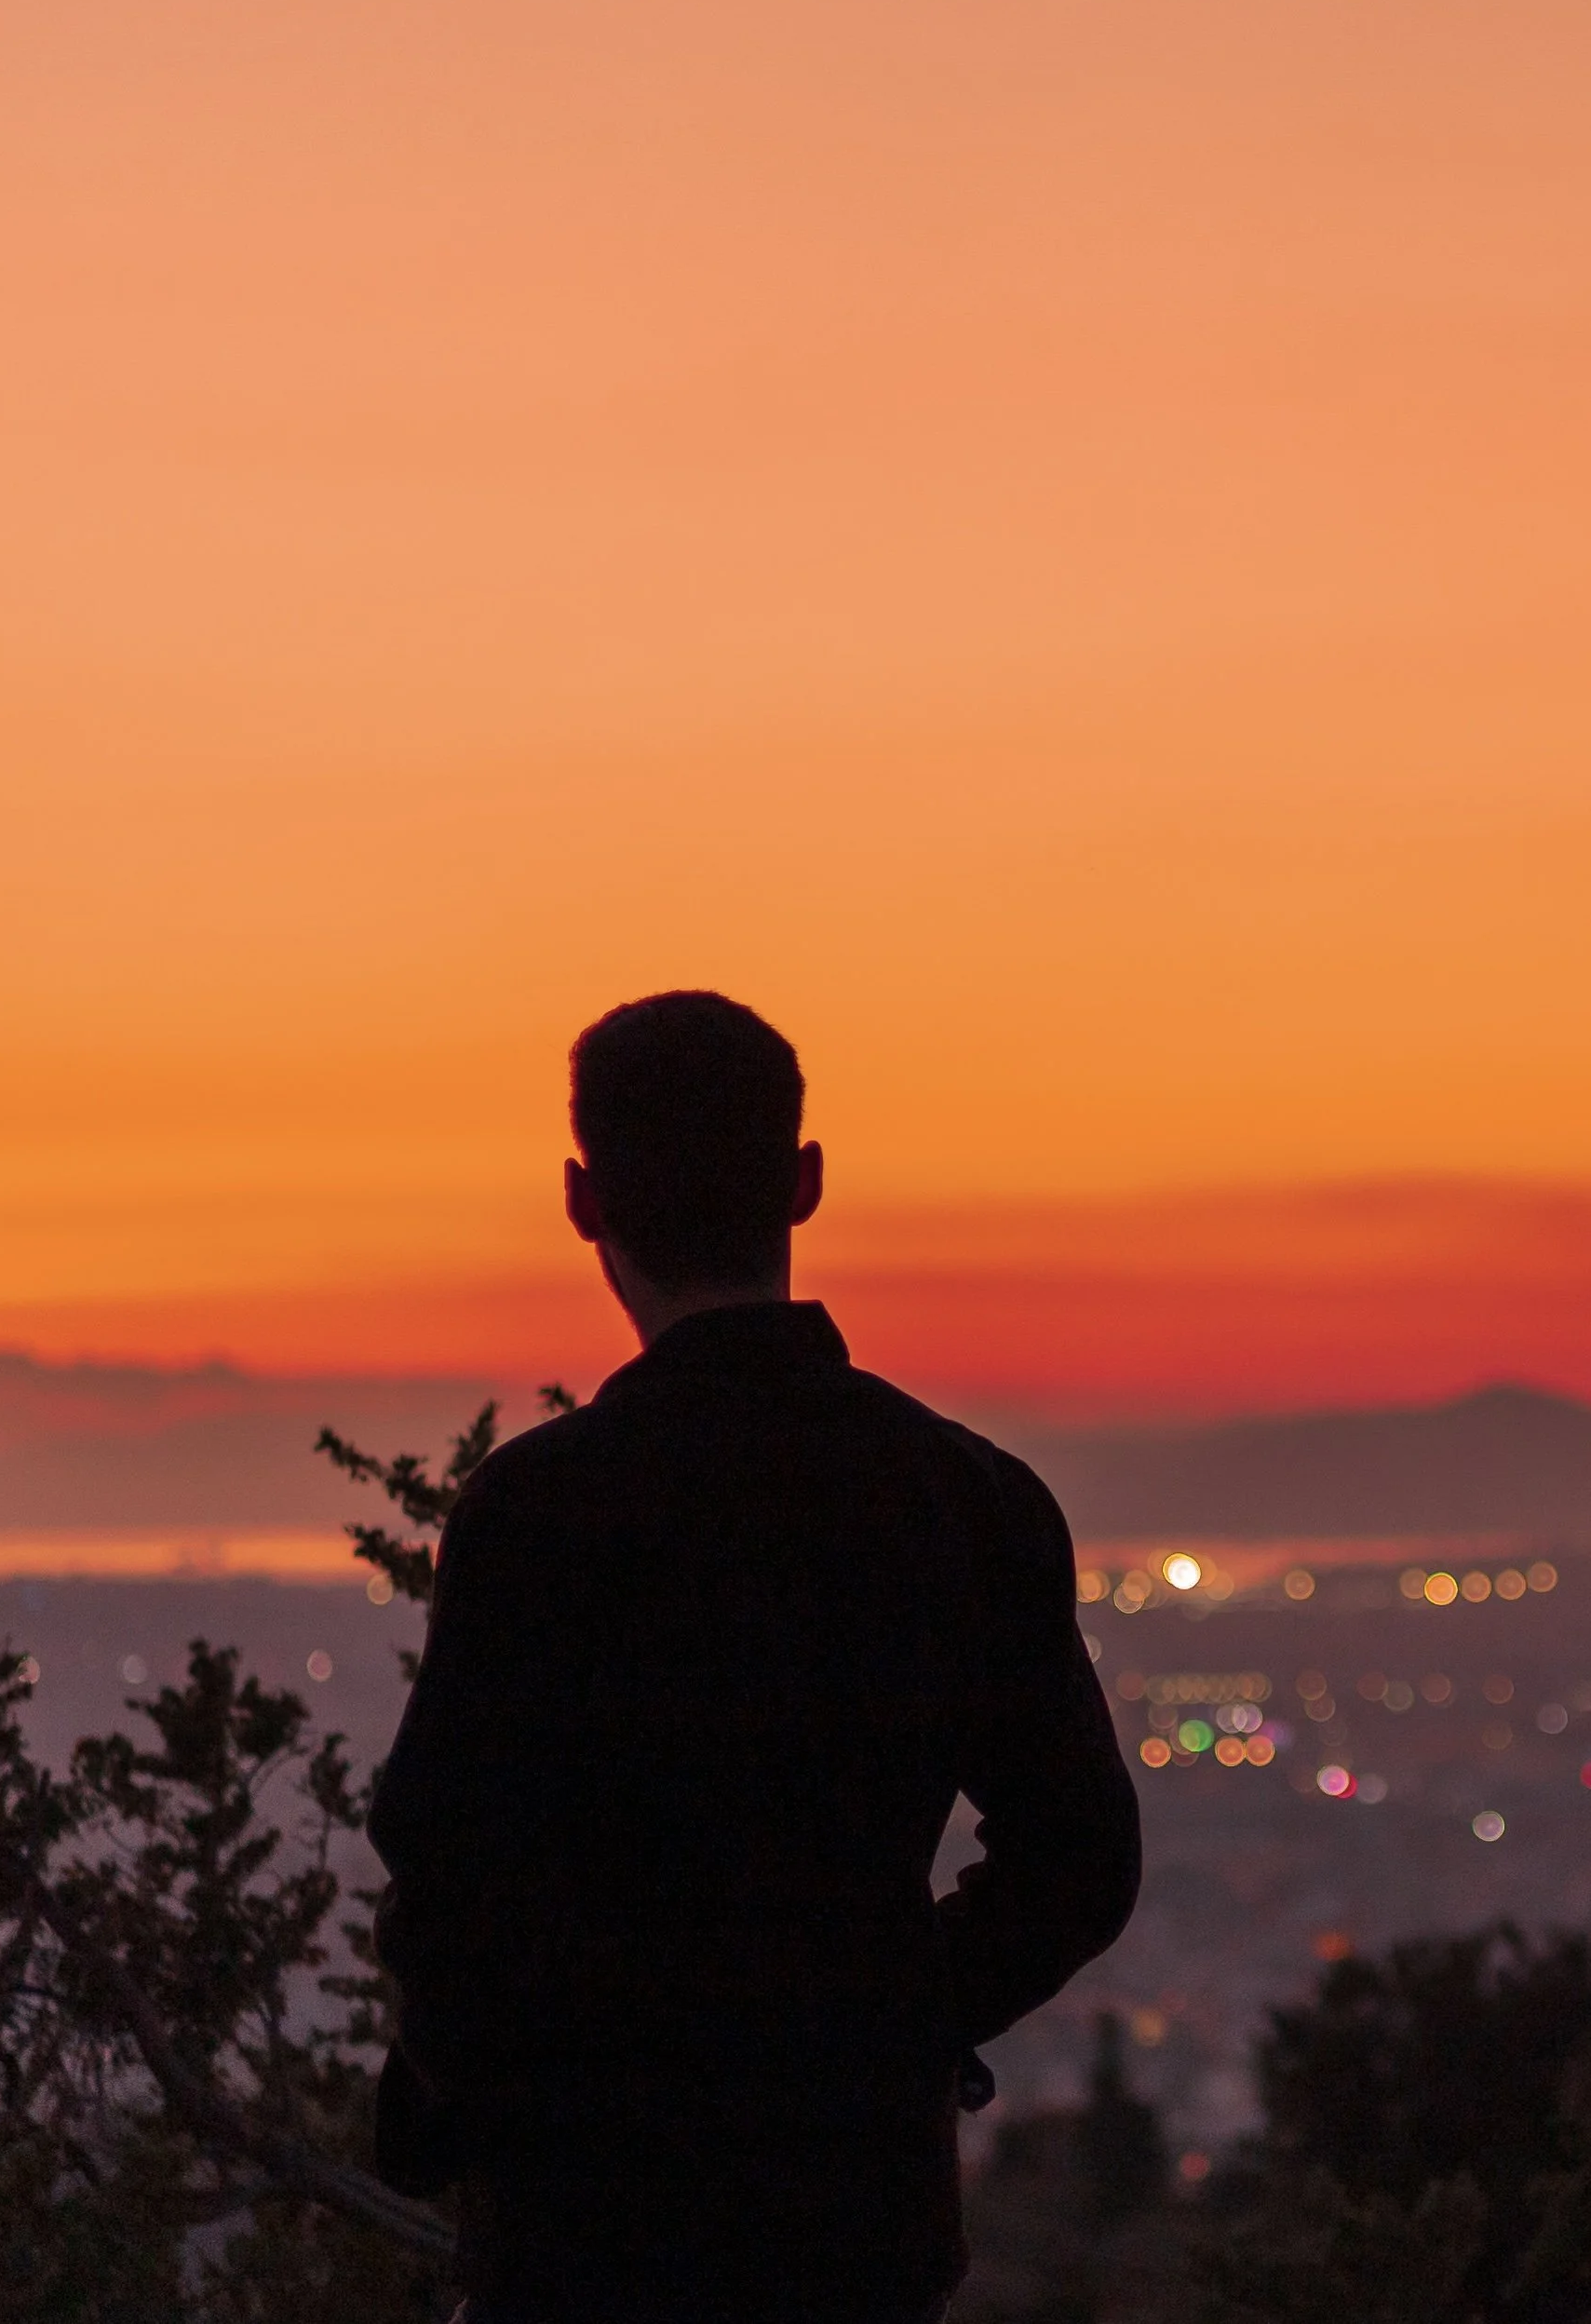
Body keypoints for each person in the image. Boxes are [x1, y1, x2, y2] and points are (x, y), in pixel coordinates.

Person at [367, 991, 1142, 2324]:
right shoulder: (963, 1499)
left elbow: (447, 1879)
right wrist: (888, 2023)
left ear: (583, 1201)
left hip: (586, 2240)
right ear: (803, 1182)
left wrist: (514, 2106)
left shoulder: (538, 1513)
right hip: (854, 2228)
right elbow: (1081, 1862)